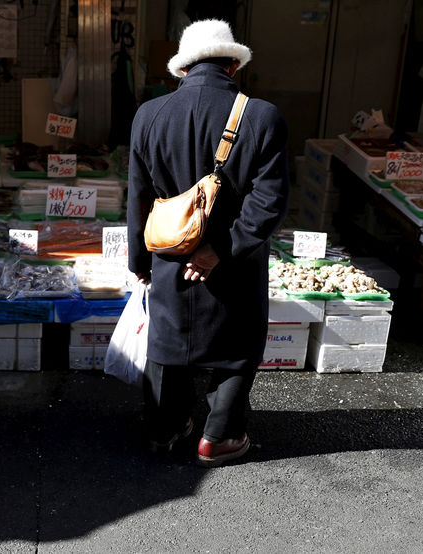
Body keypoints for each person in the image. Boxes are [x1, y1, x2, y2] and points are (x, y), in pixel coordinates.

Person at [126, 19, 289, 467]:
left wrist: (140, 260)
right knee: (236, 347)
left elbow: (139, 195)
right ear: (233, 64)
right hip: (234, 260)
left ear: (182, 70)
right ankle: (219, 437)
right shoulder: (261, 116)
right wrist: (223, 249)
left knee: (167, 342)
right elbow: (269, 199)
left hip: (169, 251)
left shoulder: (148, 115)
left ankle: (164, 429)